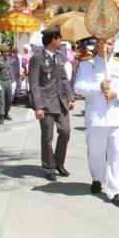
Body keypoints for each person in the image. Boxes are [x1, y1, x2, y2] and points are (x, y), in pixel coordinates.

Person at [74, 37, 119, 207]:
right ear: (97, 44)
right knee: (96, 152)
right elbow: (78, 87)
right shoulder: (87, 64)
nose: (107, 47)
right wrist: (97, 87)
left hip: (116, 116)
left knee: (118, 153)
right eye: (103, 43)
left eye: (111, 43)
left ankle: (117, 190)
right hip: (96, 117)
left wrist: (116, 93)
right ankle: (97, 178)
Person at [29, 27, 75, 182]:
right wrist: (38, 107)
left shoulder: (59, 56)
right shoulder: (37, 59)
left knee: (65, 131)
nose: (61, 41)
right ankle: (49, 167)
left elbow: (64, 79)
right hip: (46, 103)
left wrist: (70, 97)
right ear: (53, 40)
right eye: (59, 38)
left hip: (61, 101)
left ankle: (59, 163)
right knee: (47, 137)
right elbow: (34, 84)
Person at [0, 45, 13, 124]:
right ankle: (1, 116)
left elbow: (9, 71)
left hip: (8, 81)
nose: (8, 53)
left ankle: (6, 113)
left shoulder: (7, 60)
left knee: (9, 99)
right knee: (1, 100)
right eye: (6, 52)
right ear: (2, 52)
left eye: (8, 52)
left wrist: (12, 81)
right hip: (0, 81)